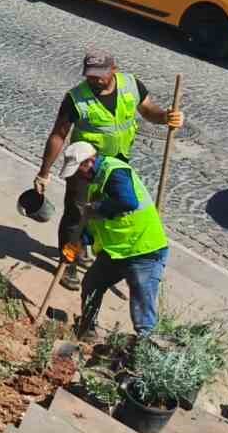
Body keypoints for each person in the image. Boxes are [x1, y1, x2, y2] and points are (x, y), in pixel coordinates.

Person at [35, 51, 183, 289]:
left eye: (100, 76)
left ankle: (86, 251)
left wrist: (166, 117)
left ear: (114, 69)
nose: (94, 80)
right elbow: (59, 134)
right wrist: (44, 172)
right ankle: (68, 263)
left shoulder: (130, 85)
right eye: (90, 76)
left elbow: (148, 111)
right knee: (77, 215)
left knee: (103, 214)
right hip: (83, 166)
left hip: (116, 166)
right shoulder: (76, 98)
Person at [58, 141, 171, 338]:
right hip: (117, 251)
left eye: (78, 170)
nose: (77, 176)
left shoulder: (116, 172)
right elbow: (95, 224)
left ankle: (146, 353)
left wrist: (98, 207)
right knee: (92, 284)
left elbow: (128, 201)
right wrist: (77, 245)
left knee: (142, 311)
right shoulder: (95, 184)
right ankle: (87, 330)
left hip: (143, 250)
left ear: (90, 162)